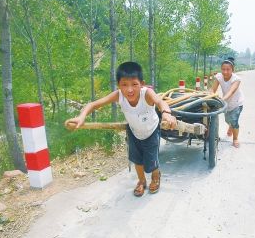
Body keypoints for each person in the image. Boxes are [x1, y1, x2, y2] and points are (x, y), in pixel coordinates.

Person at [66, 62, 176, 197]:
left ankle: (155, 176)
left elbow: (160, 102)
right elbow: (93, 104)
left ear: (142, 84)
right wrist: (81, 117)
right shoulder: (119, 95)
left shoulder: (147, 93)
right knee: (137, 160)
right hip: (134, 132)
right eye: (124, 85)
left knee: (151, 161)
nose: (129, 90)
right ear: (119, 85)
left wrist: (166, 113)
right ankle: (141, 181)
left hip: (151, 131)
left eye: (134, 84)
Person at [211, 57, 244, 148]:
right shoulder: (219, 77)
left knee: (234, 121)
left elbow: (231, 91)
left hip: (237, 103)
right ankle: (231, 126)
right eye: (223, 69)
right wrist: (209, 96)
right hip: (226, 103)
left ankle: (235, 138)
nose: (225, 72)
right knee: (227, 120)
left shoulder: (236, 79)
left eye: (228, 69)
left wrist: (222, 99)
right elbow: (213, 89)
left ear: (232, 70)